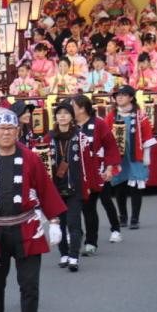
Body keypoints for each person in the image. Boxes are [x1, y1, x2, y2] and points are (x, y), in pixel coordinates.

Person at [0, 109, 66, 312]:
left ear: (17, 131)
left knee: (29, 284)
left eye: (10, 129)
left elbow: (46, 189)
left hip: (27, 227)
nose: (6, 133)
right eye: (0, 129)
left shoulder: (31, 158)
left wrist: (55, 222)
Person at [71, 94, 122, 252]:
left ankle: (112, 231)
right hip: (77, 172)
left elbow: (110, 146)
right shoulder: (69, 125)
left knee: (102, 201)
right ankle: (79, 235)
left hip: (98, 170)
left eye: (72, 106)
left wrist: (109, 168)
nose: (69, 109)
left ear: (82, 108)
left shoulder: (99, 124)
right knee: (80, 206)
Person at [47, 103, 91, 271]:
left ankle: (74, 256)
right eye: (59, 113)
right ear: (55, 117)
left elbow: (88, 161)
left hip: (75, 186)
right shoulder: (49, 137)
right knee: (61, 223)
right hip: (55, 188)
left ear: (72, 117)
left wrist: (89, 184)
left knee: (74, 222)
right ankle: (63, 254)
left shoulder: (80, 136)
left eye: (66, 113)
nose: (62, 116)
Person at [108, 85, 156, 230]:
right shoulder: (112, 115)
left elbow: (147, 135)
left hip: (135, 155)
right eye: (117, 95)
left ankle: (135, 218)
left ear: (131, 97)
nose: (119, 97)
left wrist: (147, 156)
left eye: (123, 95)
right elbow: (104, 134)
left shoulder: (140, 115)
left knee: (135, 186)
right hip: (118, 156)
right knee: (120, 186)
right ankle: (122, 216)